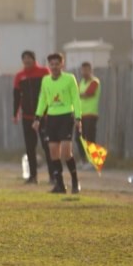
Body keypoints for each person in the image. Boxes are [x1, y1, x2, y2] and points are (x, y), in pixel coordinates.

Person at [32, 53, 82, 194]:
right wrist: (37, 118)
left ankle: (75, 182)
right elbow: (43, 99)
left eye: (57, 64)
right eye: (52, 64)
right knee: (53, 153)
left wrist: (78, 118)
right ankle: (60, 185)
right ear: (49, 66)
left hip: (66, 117)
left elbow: (76, 98)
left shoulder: (69, 79)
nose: (54, 67)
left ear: (62, 64)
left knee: (66, 152)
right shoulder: (46, 80)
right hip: (52, 118)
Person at [13, 50, 52, 184]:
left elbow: (50, 91)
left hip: (43, 117)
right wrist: (15, 113)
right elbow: (16, 96)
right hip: (27, 117)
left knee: (47, 146)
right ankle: (33, 176)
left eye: (29, 58)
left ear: (34, 59)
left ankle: (53, 176)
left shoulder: (44, 72)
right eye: (24, 58)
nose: (27, 61)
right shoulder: (19, 76)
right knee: (30, 148)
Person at [75, 61, 101, 169]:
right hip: (80, 115)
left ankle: (95, 161)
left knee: (90, 138)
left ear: (91, 70)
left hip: (91, 114)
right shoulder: (81, 82)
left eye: (87, 70)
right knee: (78, 138)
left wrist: (76, 94)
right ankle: (84, 161)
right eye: (83, 70)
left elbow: (88, 94)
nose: (85, 72)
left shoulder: (94, 81)